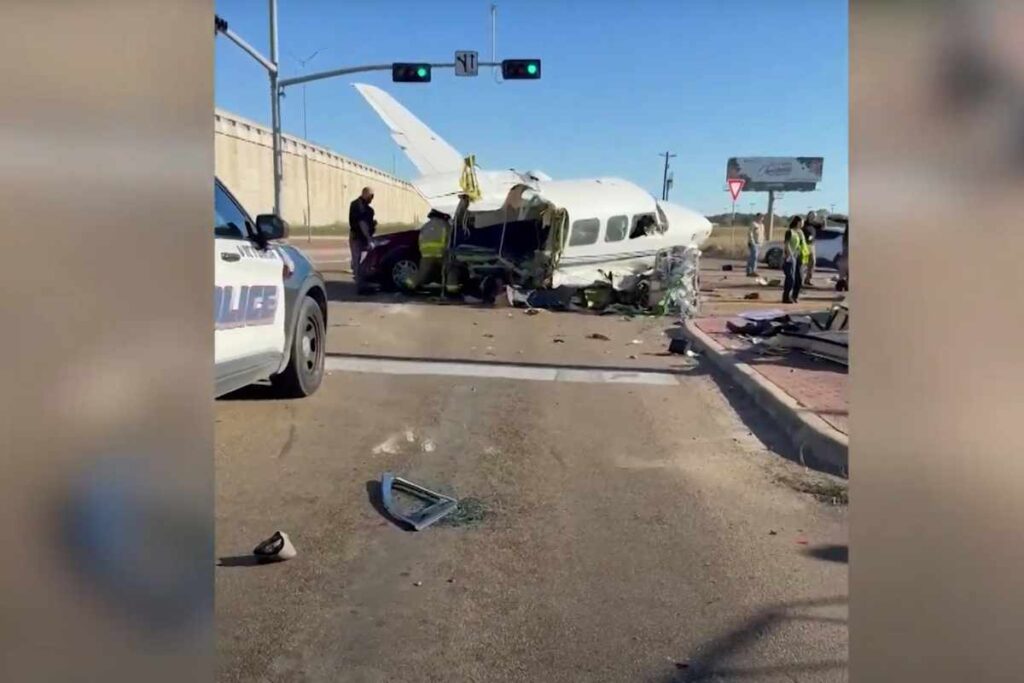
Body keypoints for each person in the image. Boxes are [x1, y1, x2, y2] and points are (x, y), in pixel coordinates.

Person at [348, 187, 377, 291]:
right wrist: (369, 238)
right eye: (371, 196)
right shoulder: (358, 205)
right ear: (365, 194)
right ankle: (360, 285)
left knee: (363, 260)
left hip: (362, 237)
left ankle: (362, 280)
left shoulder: (368, 208)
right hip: (358, 237)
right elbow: (362, 223)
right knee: (358, 260)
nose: (372, 198)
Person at [782, 215, 807, 304]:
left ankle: (795, 296)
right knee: (790, 278)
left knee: (799, 278)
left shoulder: (800, 232)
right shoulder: (790, 232)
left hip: (799, 257)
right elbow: (786, 244)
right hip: (790, 257)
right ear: (797, 222)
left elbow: (803, 244)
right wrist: (790, 255)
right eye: (802, 222)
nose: (803, 224)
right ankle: (786, 297)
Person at [802, 211, 819, 286]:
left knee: (812, 263)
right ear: (808, 215)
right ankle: (800, 279)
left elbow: (823, 227)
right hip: (804, 245)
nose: (813, 217)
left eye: (814, 216)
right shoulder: (804, 224)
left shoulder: (814, 224)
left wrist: (824, 220)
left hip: (812, 245)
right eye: (812, 216)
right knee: (803, 263)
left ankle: (808, 279)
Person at [747, 212, 765, 276]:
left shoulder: (762, 225)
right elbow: (750, 233)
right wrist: (752, 242)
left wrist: (762, 242)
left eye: (762, 217)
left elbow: (762, 234)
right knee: (753, 257)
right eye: (760, 217)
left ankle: (750, 271)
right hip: (753, 243)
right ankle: (752, 271)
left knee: (754, 257)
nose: (761, 218)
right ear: (757, 217)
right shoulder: (753, 224)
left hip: (759, 243)